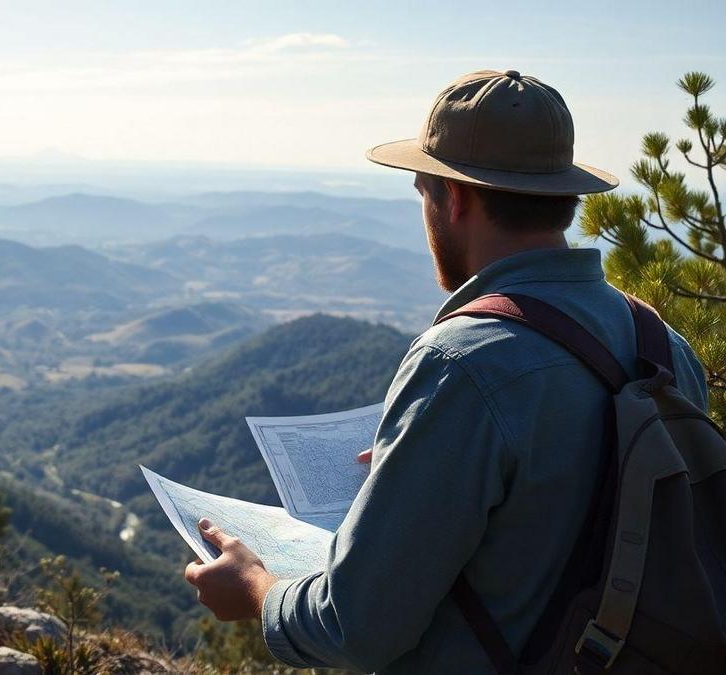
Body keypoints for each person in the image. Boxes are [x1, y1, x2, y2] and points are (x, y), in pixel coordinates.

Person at [182, 69, 710, 673]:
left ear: (454, 197)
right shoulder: (664, 347)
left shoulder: (462, 363)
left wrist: (255, 587)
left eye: (422, 191)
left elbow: (356, 628)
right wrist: (421, 477)